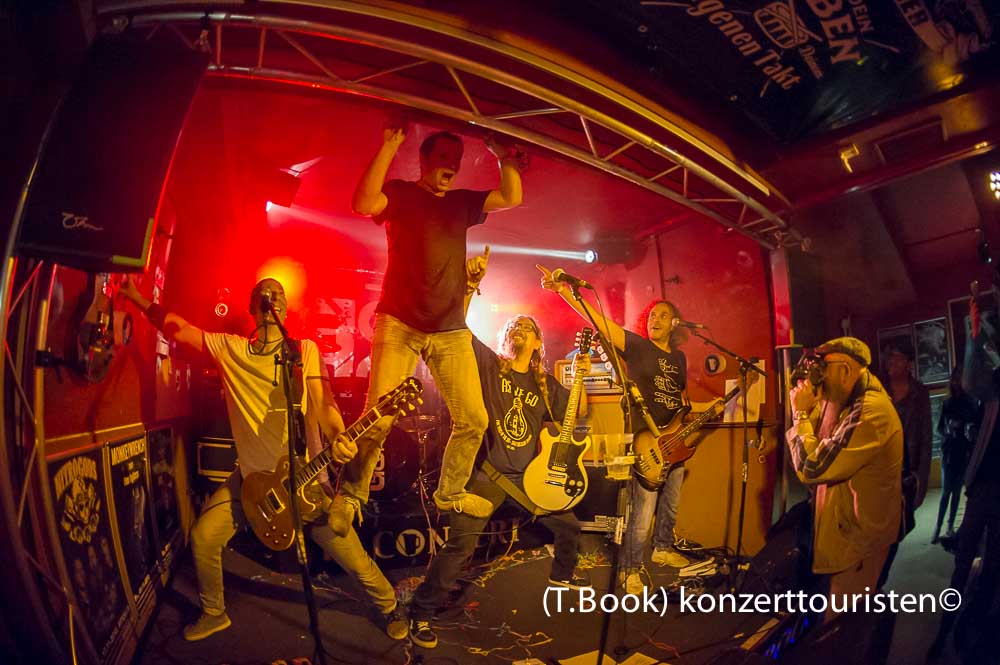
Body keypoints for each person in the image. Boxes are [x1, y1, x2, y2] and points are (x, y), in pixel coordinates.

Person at [122, 278, 408, 642]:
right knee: (204, 537)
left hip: (304, 483)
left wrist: (338, 435)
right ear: (252, 308)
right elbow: (179, 330)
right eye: (265, 293)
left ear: (285, 309)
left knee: (351, 555)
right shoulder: (230, 348)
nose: (273, 298)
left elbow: (324, 403)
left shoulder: (302, 352)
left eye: (279, 294)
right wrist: (137, 298)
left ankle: (389, 606)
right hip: (251, 483)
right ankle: (214, 613)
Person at [345, 125, 525, 521]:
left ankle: (450, 492)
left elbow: (512, 196)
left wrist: (504, 156)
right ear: (423, 160)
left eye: (456, 159)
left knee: (474, 420)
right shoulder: (401, 193)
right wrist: (389, 144)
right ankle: (351, 495)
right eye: (443, 157)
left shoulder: (461, 202)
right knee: (378, 418)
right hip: (400, 322)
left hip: (450, 328)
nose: (451, 165)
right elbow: (362, 202)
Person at [408, 299, 592, 649]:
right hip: (485, 476)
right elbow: (458, 327)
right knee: (460, 546)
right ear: (504, 338)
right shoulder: (490, 365)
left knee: (568, 525)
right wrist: (462, 289)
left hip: (527, 478)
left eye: (527, 327)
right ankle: (421, 611)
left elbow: (577, 410)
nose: (518, 328)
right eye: (513, 326)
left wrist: (581, 372)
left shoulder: (544, 384)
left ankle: (561, 577)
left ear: (538, 342)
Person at [538, 266, 699, 594]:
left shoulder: (680, 359)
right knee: (642, 510)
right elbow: (600, 322)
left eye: (663, 315)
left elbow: (682, 399)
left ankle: (663, 548)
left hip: (675, 439)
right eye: (651, 315)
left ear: (675, 323)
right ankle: (630, 569)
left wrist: (702, 412)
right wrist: (565, 292)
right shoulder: (639, 346)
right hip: (646, 440)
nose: (655, 319)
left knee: (670, 504)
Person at [786, 337, 902, 621]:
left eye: (823, 368)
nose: (818, 376)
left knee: (842, 628)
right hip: (848, 536)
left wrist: (800, 413)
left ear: (846, 370)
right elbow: (816, 450)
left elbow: (812, 469)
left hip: (860, 544)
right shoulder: (847, 403)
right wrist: (811, 405)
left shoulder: (870, 412)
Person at [928, 312, 1000, 662]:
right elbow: (973, 382)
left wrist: (977, 338)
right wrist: (975, 336)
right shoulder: (993, 383)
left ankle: (966, 636)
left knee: (990, 567)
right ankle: (947, 632)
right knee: (966, 562)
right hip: (984, 484)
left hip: (989, 486)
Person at [934, 366, 979, 544]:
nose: (958, 382)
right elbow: (938, 429)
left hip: (963, 452)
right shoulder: (948, 403)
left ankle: (950, 526)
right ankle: (938, 527)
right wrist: (948, 428)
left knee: (956, 493)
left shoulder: (971, 403)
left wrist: (968, 429)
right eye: (955, 379)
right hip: (949, 451)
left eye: (960, 378)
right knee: (946, 492)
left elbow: (976, 429)